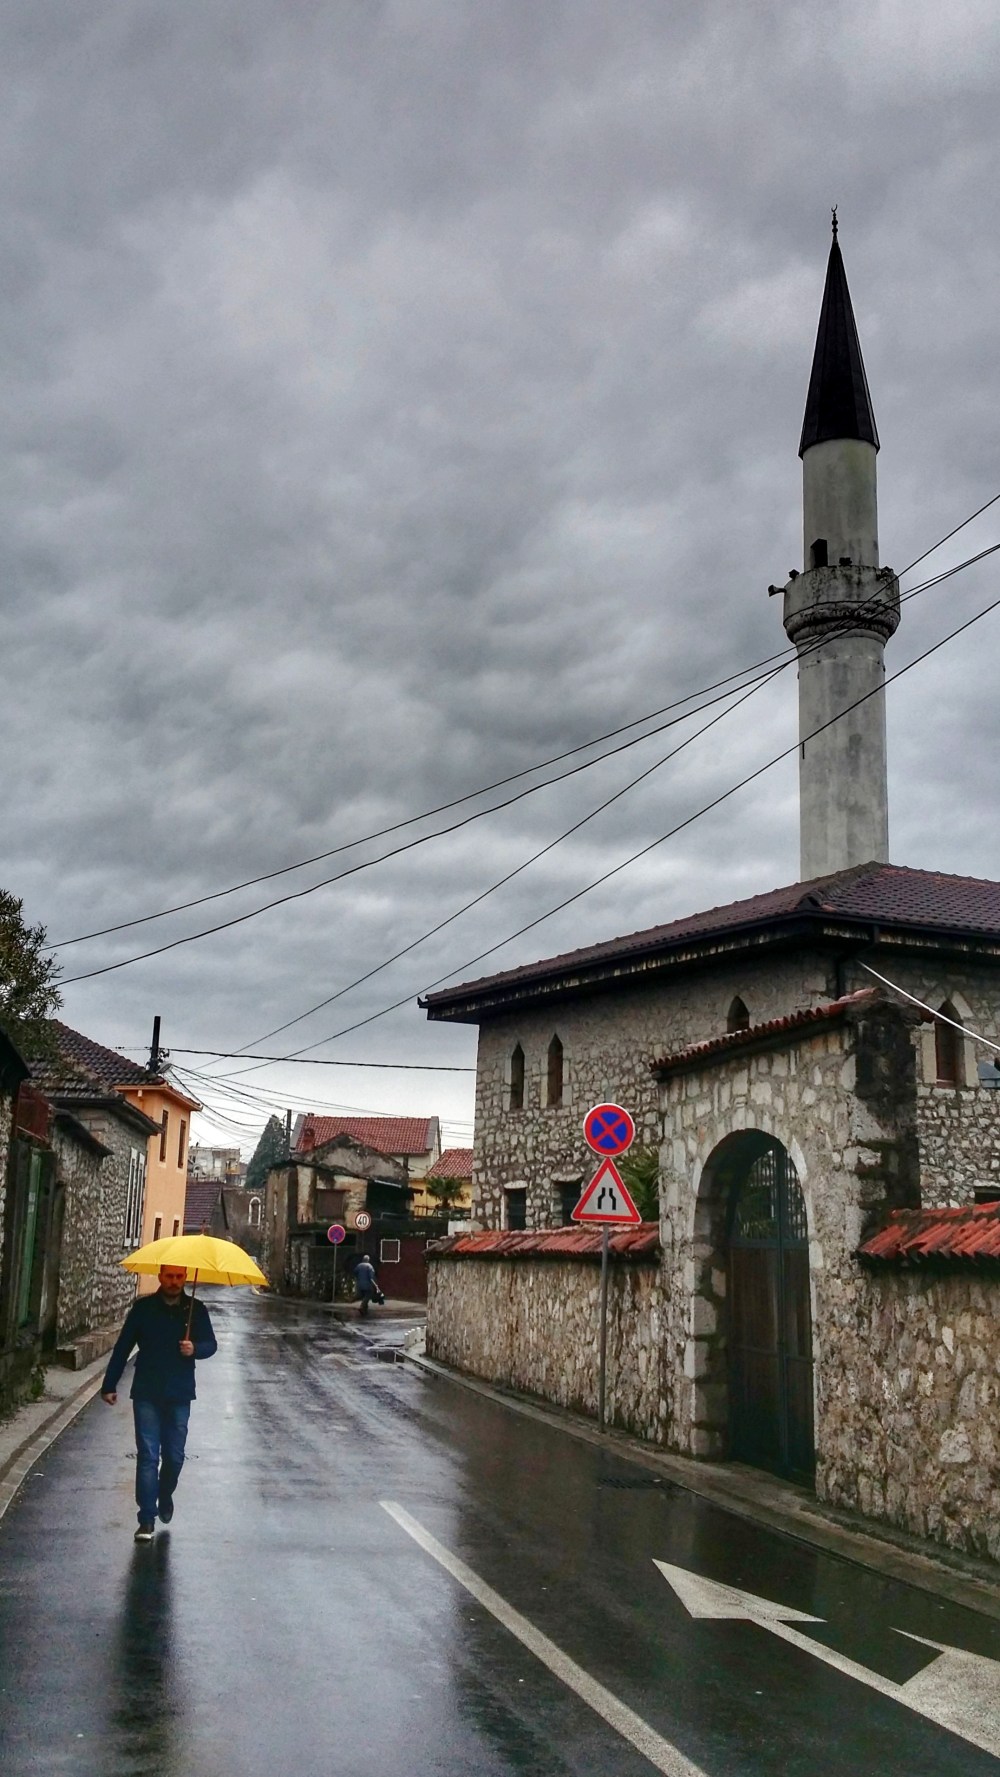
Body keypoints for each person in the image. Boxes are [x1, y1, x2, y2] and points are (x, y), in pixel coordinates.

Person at [101, 1264, 217, 1543]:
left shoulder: (195, 1310)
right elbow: (123, 1346)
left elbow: (211, 1344)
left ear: (185, 1277)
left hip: (180, 1393)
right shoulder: (143, 1309)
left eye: (179, 1277)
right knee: (148, 1455)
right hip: (147, 1391)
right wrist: (109, 1384)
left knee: (175, 1456)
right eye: (169, 1276)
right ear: (161, 1276)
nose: (174, 1282)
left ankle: (164, 1493)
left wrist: (195, 1349)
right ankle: (146, 1518)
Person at [354, 1252, 379, 1317]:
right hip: (367, 1285)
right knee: (368, 1294)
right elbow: (371, 1277)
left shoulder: (359, 1265)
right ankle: (362, 1306)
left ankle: (365, 1308)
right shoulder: (370, 1266)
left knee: (363, 1295)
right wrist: (375, 1284)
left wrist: (358, 1278)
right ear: (368, 1260)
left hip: (359, 1284)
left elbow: (355, 1272)